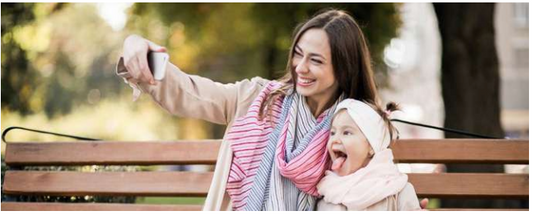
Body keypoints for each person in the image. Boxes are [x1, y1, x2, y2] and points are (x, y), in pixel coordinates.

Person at [117, 8, 427, 211]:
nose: (300, 68)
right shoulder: (257, 98)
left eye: (315, 60)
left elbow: (377, 181)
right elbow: (191, 94)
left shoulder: (357, 124)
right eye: (298, 54)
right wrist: (137, 48)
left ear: (343, 68)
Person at [316, 99, 420, 210]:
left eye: (347, 132)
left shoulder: (398, 189)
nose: (335, 139)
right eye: (332, 133)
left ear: (371, 146)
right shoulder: (330, 191)